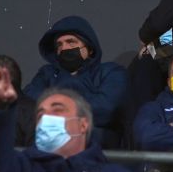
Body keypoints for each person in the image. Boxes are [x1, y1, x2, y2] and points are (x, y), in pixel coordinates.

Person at [0, 71, 138, 172]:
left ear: (83, 124)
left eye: (58, 110)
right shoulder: (21, 168)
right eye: (41, 114)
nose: (47, 118)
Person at [24, 15, 127, 147]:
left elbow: (106, 110)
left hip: (99, 153)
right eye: (59, 45)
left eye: (71, 42)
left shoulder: (111, 72)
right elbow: (29, 101)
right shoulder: (47, 73)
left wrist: (55, 106)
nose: (64, 48)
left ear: (89, 49)